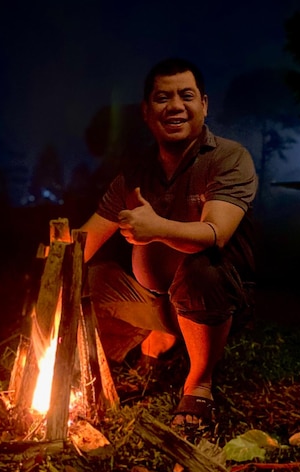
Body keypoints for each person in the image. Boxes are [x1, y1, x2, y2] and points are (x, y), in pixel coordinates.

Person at [80, 57, 258, 437]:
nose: (175, 106)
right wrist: (51, 261)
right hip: (154, 297)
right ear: (147, 112)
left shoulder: (228, 158)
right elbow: (85, 239)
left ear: (204, 105)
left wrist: (155, 228)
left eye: (186, 96)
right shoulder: (137, 171)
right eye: (163, 97)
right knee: (91, 281)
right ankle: (157, 338)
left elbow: (216, 233)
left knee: (202, 268)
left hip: (217, 296)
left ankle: (199, 384)